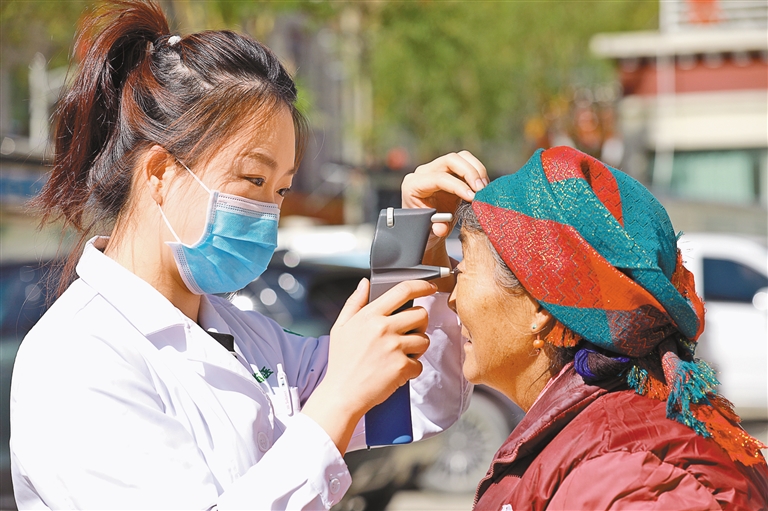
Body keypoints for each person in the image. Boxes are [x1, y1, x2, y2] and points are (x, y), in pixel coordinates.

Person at [9, 1, 488, 508]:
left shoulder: (249, 338)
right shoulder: (77, 359)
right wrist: (337, 400)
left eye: (280, 190)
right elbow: (345, 398)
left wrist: (414, 241)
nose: (267, 212)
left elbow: (417, 399)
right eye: (253, 179)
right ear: (159, 173)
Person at [448, 146, 768, 510]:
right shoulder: (610, 450)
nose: (452, 298)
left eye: (462, 269)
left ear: (539, 307)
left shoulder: (631, 477)